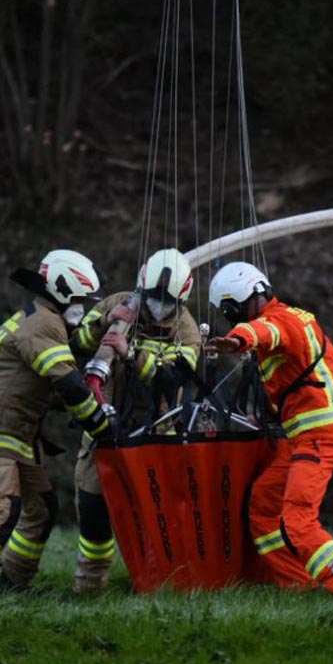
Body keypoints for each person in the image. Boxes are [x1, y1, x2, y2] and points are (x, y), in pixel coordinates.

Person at [0, 249, 113, 597]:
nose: (83, 308)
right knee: (3, 509)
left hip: (16, 433)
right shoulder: (43, 324)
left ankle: (14, 586)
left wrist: (86, 408)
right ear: (62, 291)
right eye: (80, 300)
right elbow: (68, 384)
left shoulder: (44, 319)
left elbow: (55, 387)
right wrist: (101, 426)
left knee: (41, 509)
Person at [207, 261, 333, 599]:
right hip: (304, 437)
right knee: (264, 507)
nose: (231, 319)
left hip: (319, 437)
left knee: (298, 522)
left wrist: (237, 339)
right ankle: (298, 586)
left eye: (229, 312)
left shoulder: (278, 322)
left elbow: (264, 333)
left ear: (238, 303)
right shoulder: (289, 316)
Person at [69, 248, 202, 593]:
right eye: (152, 297)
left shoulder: (187, 331)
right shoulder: (119, 303)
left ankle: (159, 586)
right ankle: (90, 587)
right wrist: (105, 321)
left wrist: (131, 355)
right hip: (104, 425)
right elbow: (78, 342)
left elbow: (172, 380)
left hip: (156, 435)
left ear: (182, 299)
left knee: (155, 513)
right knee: (93, 505)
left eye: (167, 301)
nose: (158, 306)